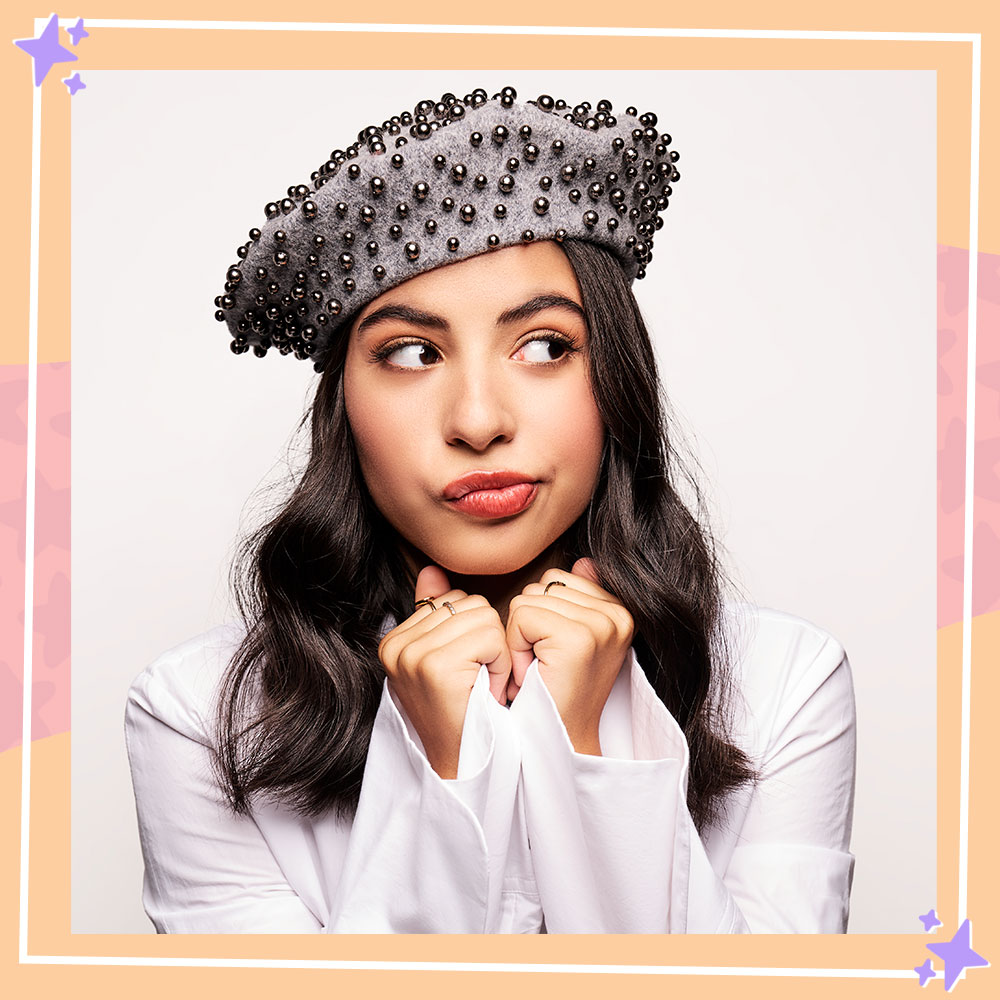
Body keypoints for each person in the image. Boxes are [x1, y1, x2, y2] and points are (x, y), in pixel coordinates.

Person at [125, 85, 856, 934]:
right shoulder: (201, 718)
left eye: (545, 346)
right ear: (343, 410)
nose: (478, 420)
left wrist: (590, 756)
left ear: (615, 376)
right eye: (410, 353)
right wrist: (441, 770)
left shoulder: (783, 687)